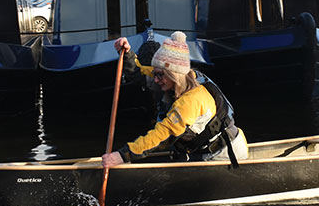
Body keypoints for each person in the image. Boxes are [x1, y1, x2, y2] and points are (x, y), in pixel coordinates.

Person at [101, 31, 249, 167]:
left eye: (160, 75)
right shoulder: (178, 77)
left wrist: (123, 155)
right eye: (155, 74)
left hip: (224, 155)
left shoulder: (191, 101)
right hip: (201, 151)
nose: (156, 79)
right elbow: (139, 72)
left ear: (174, 75)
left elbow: (162, 134)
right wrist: (126, 54)